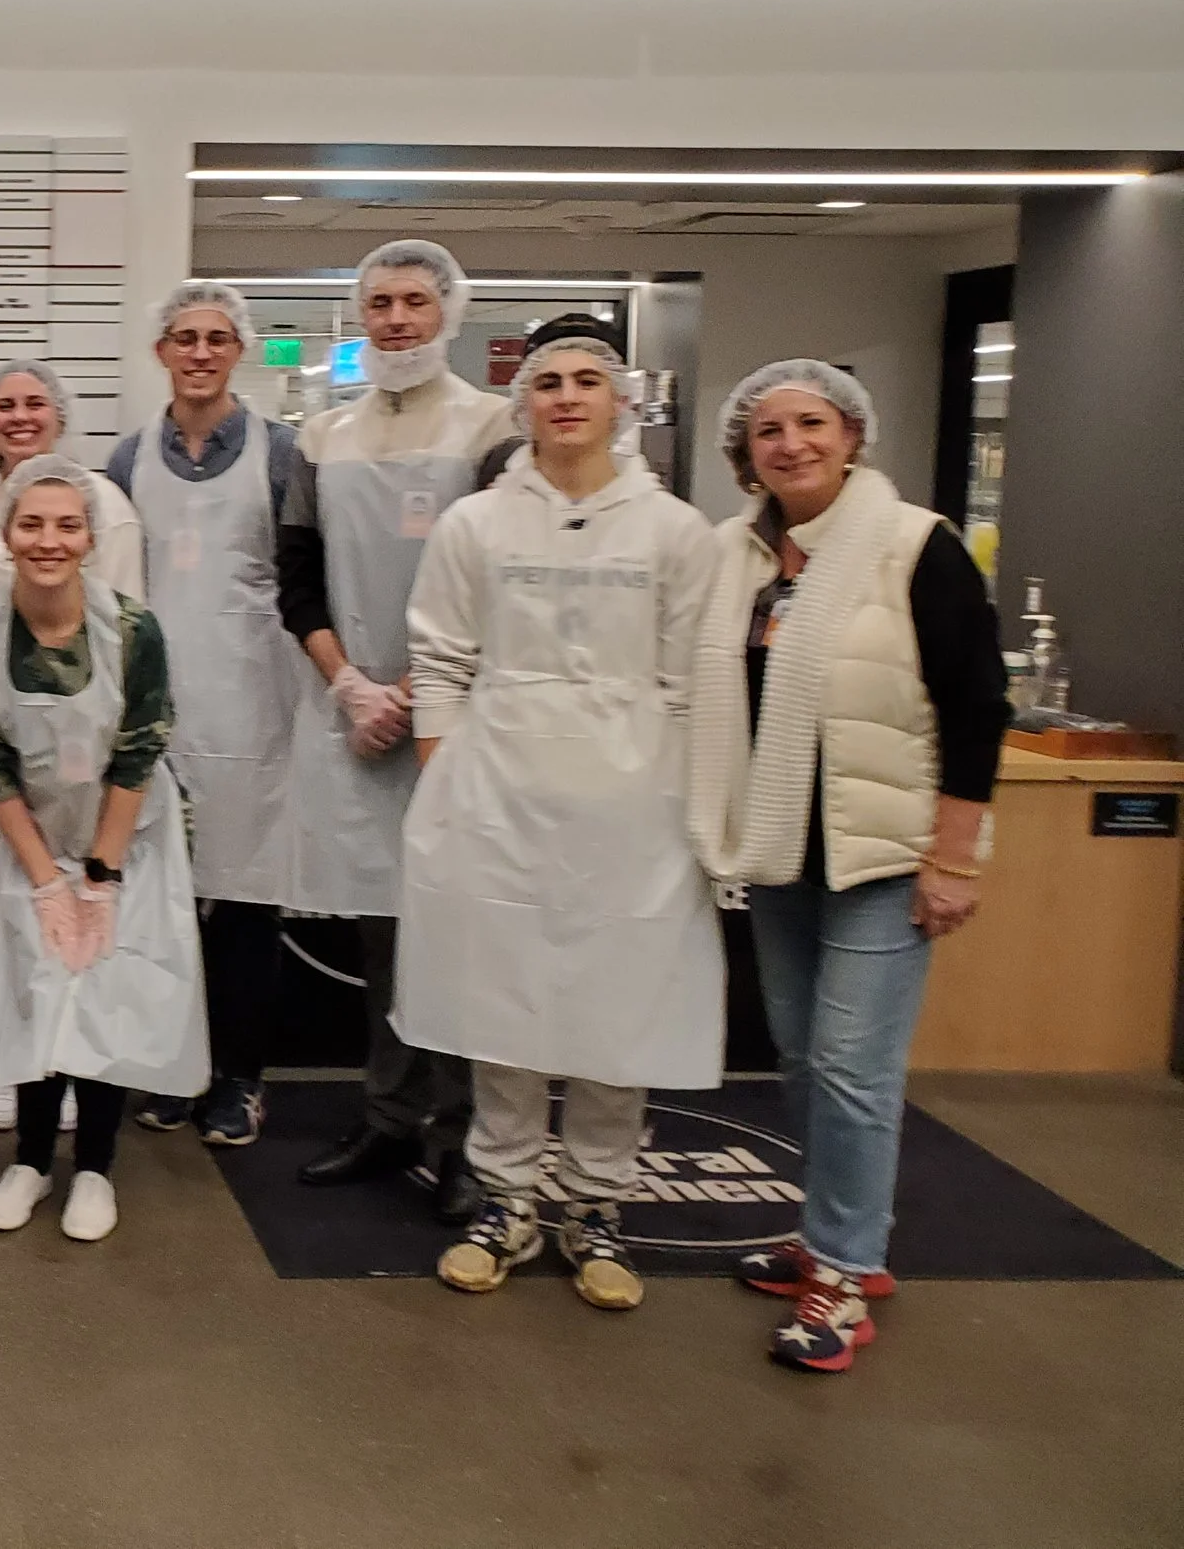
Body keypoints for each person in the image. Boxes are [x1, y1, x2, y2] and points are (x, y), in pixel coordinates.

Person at [395, 317, 720, 1312]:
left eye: (588, 380)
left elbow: (691, 676)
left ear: (620, 402)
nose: (567, 397)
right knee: (505, 1001)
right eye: (548, 383)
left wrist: (667, 799)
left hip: (631, 807)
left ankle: (597, 1206)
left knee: (614, 1009)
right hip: (496, 796)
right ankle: (507, 1198)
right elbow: (440, 658)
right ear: (523, 403)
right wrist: (451, 781)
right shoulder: (476, 526)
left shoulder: (673, 532)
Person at [689, 360, 1008, 1373]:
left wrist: (953, 857)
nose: (791, 445)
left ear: (851, 435)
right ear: (747, 455)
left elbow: (975, 707)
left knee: (851, 1066)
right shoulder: (739, 560)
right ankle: (833, 1235)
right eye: (769, 432)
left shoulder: (915, 546)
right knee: (795, 1052)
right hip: (783, 846)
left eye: (811, 424)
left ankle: (842, 1269)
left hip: (883, 850)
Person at [283, 241, 513, 1219]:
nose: (396, 319)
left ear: (448, 313)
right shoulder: (320, 437)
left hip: (455, 725)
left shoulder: (494, 427)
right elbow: (296, 579)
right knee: (382, 934)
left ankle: (464, 1137)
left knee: (455, 935)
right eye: (379, 302)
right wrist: (350, 689)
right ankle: (388, 1118)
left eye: (415, 301)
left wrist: (421, 691)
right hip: (360, 719)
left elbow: (504, 579)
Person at [0, 458, 202, 1243]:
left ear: (90, 537)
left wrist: (97, 877)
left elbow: (139, 752)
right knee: (31, 988)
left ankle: (93, 1166)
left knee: (102, 991)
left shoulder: (132, 630)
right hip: (22, 838)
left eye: (66, 524)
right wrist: (44, 882)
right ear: (6, 533)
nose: (48, 540)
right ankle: (28, 1160)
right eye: (32, 523)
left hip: (121, 837)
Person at [104, 283, 302, 1148]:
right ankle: (175, 1066)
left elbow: (301, 578)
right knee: (165, 899)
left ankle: (241, 1078)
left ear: (238, 351)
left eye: (217, 338)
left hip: (256, 701)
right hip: (155, 701)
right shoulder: (126, 459)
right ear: (161, 352)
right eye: (183, 336)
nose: (199, 352)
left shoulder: (283, 451)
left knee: (246, 898)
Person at [0, 361, 144, 1135]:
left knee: (82, 899)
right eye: (3, 405)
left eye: (35, 404)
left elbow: (122, 623)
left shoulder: (104, 502)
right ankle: (12, 1061)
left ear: (61, 416)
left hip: (81, 737)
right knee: (2, 901)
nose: (19, 416)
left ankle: (76, 1057)